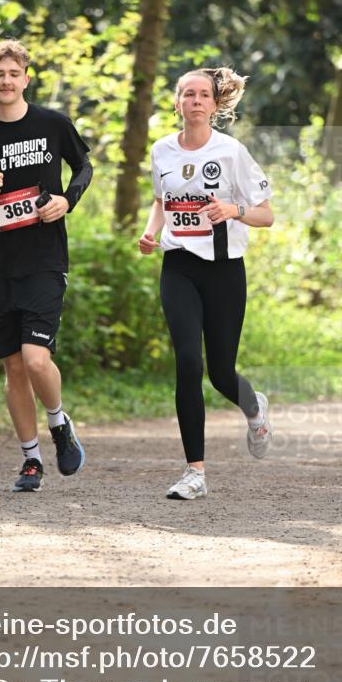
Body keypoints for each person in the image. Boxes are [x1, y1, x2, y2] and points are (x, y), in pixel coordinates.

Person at [0, 39, 92, 493]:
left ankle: (59, 423)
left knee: (35, 358)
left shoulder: (52, 124)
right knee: (13, 366)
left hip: (45, 258)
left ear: (26, 79)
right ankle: (31, 460)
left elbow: (84, 167)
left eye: (14, 74)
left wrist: (67, 200)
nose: (6, 81)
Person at [138, 67, 274, 500]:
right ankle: (194, 472)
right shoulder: (161, 150)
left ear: (214, 105)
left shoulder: (232, 152)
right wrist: (151, 233)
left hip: (224, 270)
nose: (195, 101)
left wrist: (234, 211)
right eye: (188, 94)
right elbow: (160, 200)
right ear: (177, 102)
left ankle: (254, 408)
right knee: (187, 363)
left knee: (220, 373)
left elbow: (266, 215)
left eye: (203, 95)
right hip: (178, 266)